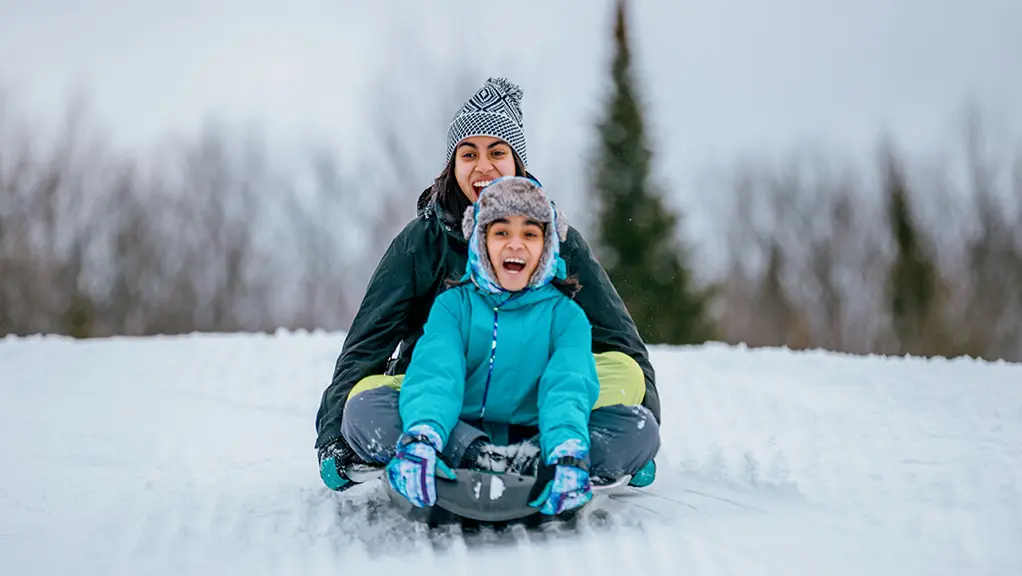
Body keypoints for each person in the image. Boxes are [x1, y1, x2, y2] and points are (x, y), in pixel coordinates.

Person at [315, 76, 660, 494]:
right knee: (366, 401)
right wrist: (334, 437)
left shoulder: (559, 240)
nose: (483, 166)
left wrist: (644, 434)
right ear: (452, 165)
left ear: (517, 163)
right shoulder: (421, 245)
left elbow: (618, 341)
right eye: (468, 153)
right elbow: (366, 346)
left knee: (627, 379)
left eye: (497, 152)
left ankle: (543, 449)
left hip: (538, 400)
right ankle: (464, 450)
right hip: (445, 401)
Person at [384, 176, 599, 515]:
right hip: (459, 433)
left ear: (547, 246)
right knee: (370, 408)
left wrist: (566, 448)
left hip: (538, 438)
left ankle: (553, 465)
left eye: (530, 234)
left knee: (632, 426)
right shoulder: (453, 306)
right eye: (501, 233)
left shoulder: (566, 315)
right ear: (481, 242)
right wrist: (423, 435)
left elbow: (568, 384)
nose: (515, 245)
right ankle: (471, 456)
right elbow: (436, 374)